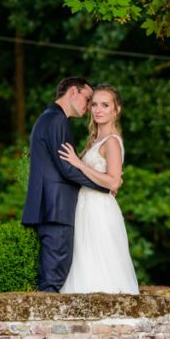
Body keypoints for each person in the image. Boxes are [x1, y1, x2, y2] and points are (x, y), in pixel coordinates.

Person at [22, 77, 112, 293]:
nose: (89, 106)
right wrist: (105, 186)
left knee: (54, 277)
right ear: (73, 91)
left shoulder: (48, 118)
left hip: (50, 208)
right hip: (56, 209)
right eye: (88, 98)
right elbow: (67, 169)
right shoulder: (57, 121)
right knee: (53, 281)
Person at [57, 84, 139, 294]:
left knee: (101, 262)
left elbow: (113, 181)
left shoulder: (111, 141)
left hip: (99, 210)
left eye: (105, 105)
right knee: (85, 262)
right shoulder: (95, 140)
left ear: (116, 110)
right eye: (94, 104)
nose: (98, 110)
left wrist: (79, 163)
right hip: (85, 208)